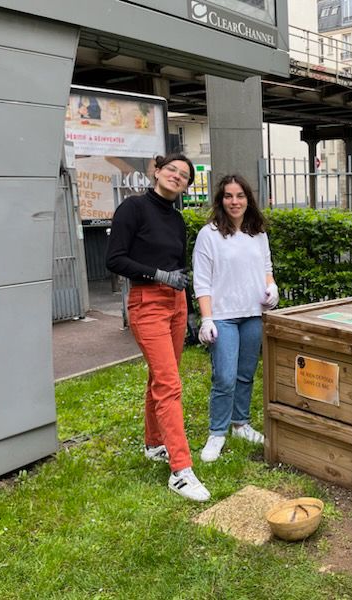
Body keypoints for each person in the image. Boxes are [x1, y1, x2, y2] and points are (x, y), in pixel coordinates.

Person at [105, 152, 210, 502]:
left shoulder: (177, 219)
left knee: (161, 377)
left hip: (176, 303)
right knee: (169, 384)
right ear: (157, 171)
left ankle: (154, 444)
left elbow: (178, 265)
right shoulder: (133, 208)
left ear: (187, 185)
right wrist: (158, 275)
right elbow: (114, 259)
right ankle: (181, 471)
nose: (177, 176)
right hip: (147, 302)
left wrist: (188, 306)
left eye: (184, 175)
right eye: (172, 170)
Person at [192, 174, 279, 463]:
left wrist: (272, 287)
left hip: (253, 313)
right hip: (223, 317)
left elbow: (266, 268)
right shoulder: (209, 234)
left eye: (240, 196)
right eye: (228, 196)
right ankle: (217, 432)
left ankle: (240, 424)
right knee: (225, 377)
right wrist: (207, 319)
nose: (234, 201)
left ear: (248, 199)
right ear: (221, 200)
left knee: (245, 374)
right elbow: (202, 281)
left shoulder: (258, 233)